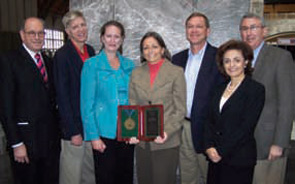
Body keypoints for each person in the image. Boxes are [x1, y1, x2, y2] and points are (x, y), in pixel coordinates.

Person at [0, 17, 60, 184]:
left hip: (49, 143)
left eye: (41, 33)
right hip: (25, 142)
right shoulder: (9, 60)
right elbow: (6, 107)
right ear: (22, 35)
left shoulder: (48, 61)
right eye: (32, 33)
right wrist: (16, 143)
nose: (37, 37)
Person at [239, 13, 295, 184]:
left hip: (267, 141)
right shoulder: (238, 59)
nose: (249, 33)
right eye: (244, 28)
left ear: (264, 30)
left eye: (253, 27)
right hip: (241, 144)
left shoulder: (280, 58)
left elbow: (287, 103)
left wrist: (279, 143)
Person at [80, 20, 135, 184]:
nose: (112, 40)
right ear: (102, 38)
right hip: (103, 133)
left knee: (125, 176)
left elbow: (134, 99)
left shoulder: (130, 65)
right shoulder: (91, 65)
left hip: (127, 131)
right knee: (106, 178)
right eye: (109, 36)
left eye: (116, 36)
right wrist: (94, 136)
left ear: (122, 39)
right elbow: (86, 104)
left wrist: (136, 130)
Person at [172, 12, 223, 184]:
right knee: (188, 176)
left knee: (212, 176)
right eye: (190, 26)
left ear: (208, 31)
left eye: (199, 26)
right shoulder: (177, 59)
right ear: (186, 30)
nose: (194, 30)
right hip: (184, 127)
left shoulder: (220, 58)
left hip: (209, 130)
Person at [204, 39, 265, 184]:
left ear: (246, 62)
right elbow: (209, 120)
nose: (232, 65)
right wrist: (208, 146)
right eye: (227, 61)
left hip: (239, 159)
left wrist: (221, 151)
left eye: (237, 60)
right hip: (215, 157)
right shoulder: (219, 88)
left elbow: (246, 127)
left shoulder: (255, 89)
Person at [129, 31, 186, 184]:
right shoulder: (136, 73)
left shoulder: (176, 72)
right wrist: (131, 130)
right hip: (142, 142)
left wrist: (166, 131)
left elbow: (180, 109)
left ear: (162, 49)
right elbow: (132, 104)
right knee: (144, 179)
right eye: (145, 47)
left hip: (166, 140)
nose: (150, 51)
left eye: (154, 46)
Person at [53, 10, 95, 184]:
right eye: (75, 27)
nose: (81, 29)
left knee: (89, 173)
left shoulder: (91, 51)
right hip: (74, 128)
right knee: (72, 175)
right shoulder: (62, 56)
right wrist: (72, 131)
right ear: (68, 31)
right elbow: (62, 97)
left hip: (90, 125)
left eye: (83, 25)